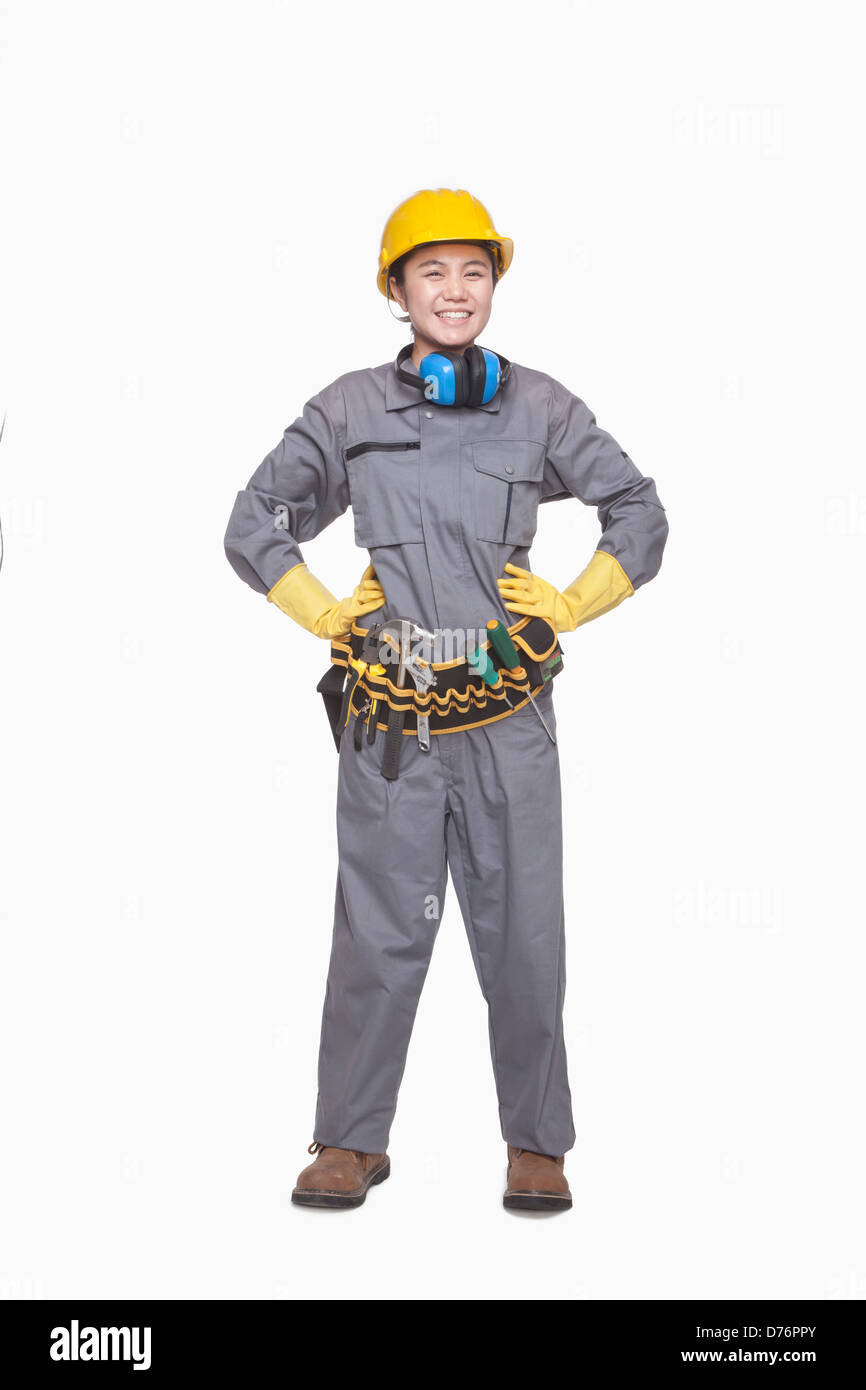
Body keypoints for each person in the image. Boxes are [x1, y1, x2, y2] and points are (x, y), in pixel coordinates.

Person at [224, 188, 668, 1212]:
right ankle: (348, 1138)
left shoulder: (543, 407)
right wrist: (323, 612)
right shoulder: (347, 411)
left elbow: (638, 509)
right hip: (391, 730)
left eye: (473, 272)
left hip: (509, 725)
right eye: (431, 272)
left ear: (493, 287)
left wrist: (569, 603)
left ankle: (535, 1143)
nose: (454, 291)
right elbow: (253, 518)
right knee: (376, 934)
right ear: (396, 289)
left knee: (522, 932)